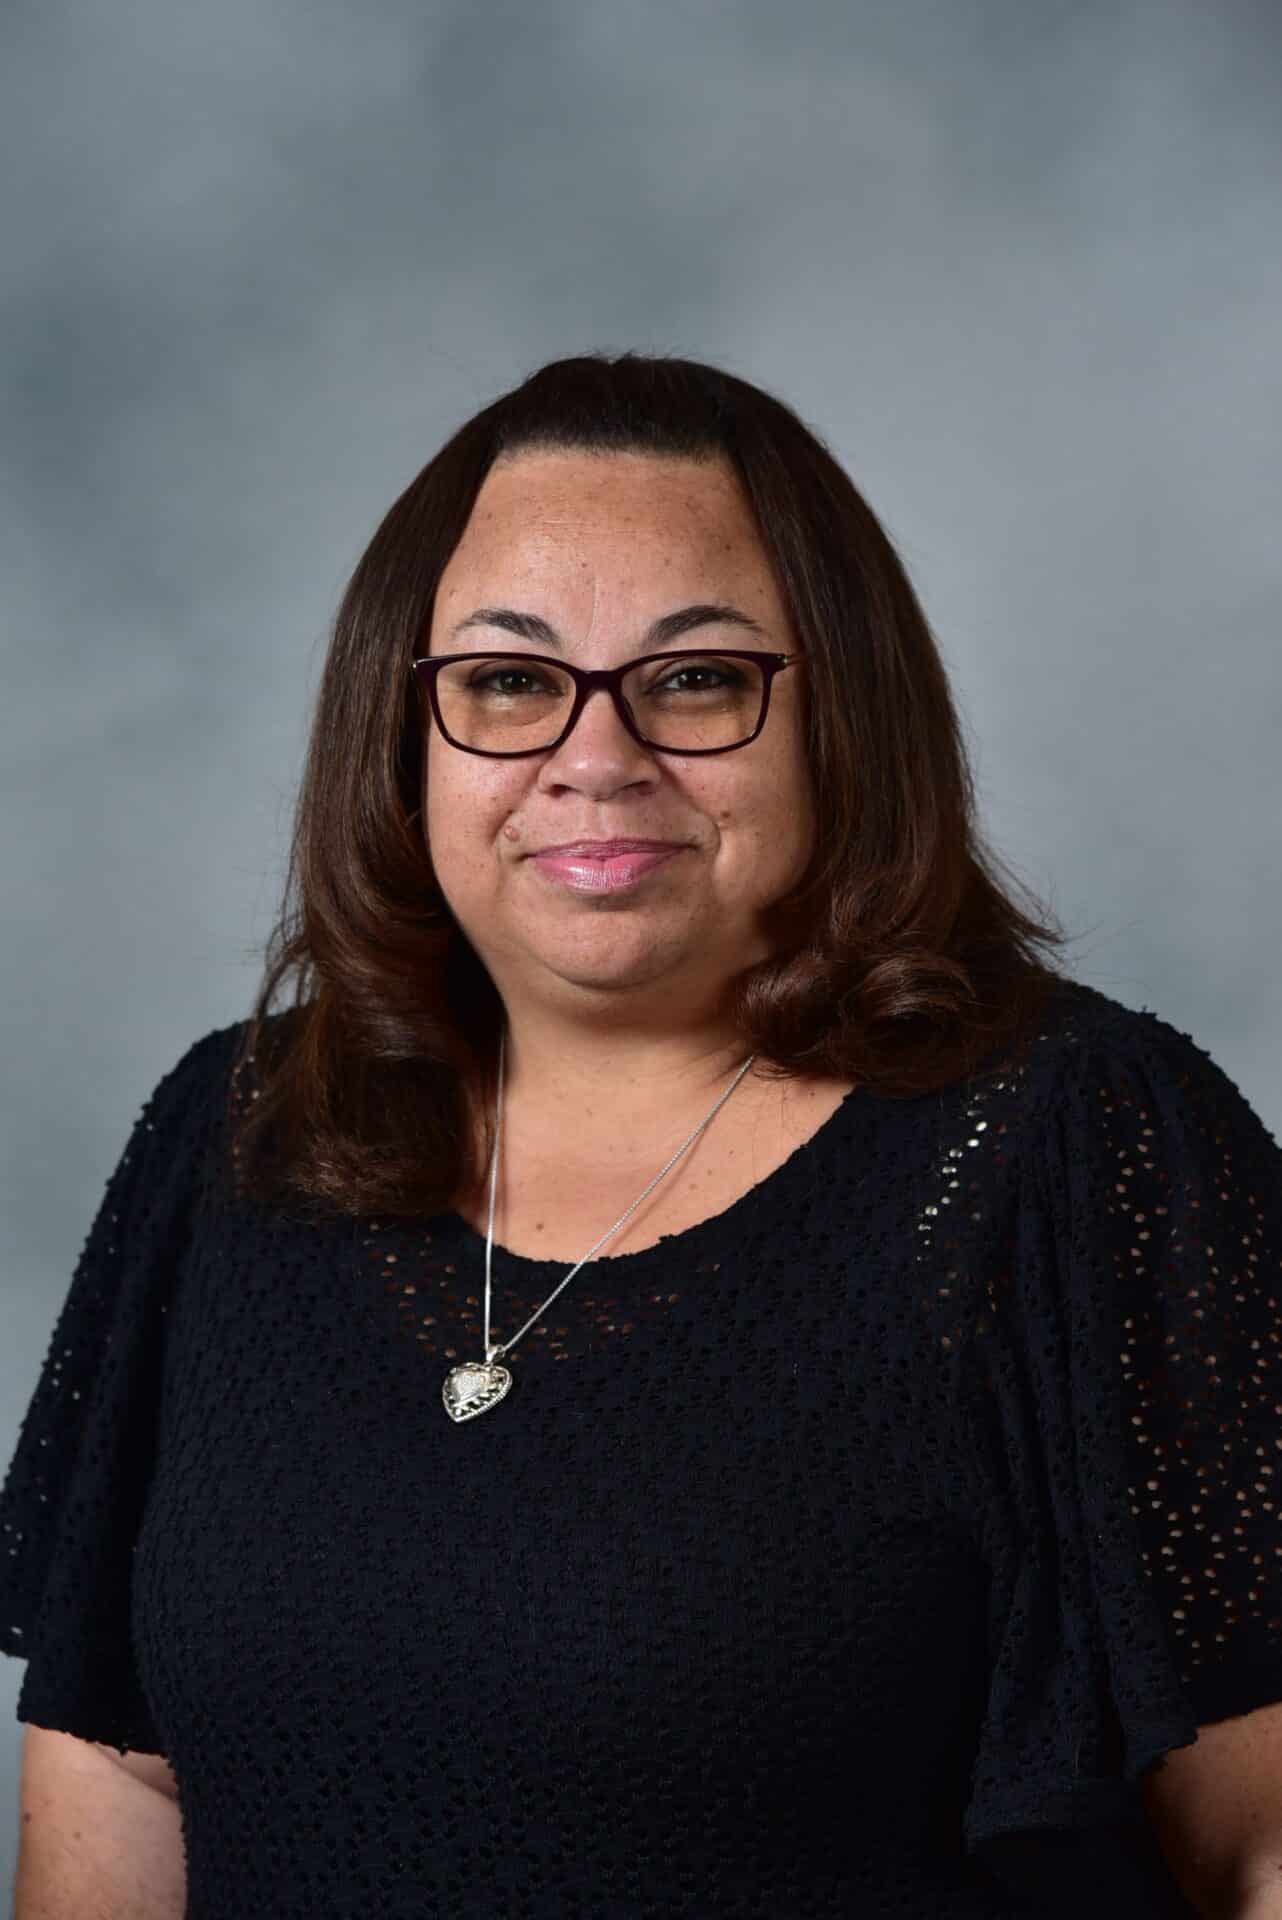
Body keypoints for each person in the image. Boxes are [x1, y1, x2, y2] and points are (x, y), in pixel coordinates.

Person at [4, 351, 1280, 1919]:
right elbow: (109, 1761)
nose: (594, 761)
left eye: (692, 679)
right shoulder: (240, 1131)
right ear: (400, 739)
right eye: (507, 679)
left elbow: (1256, 1843)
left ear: (840, 719)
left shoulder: (1070, 1143)